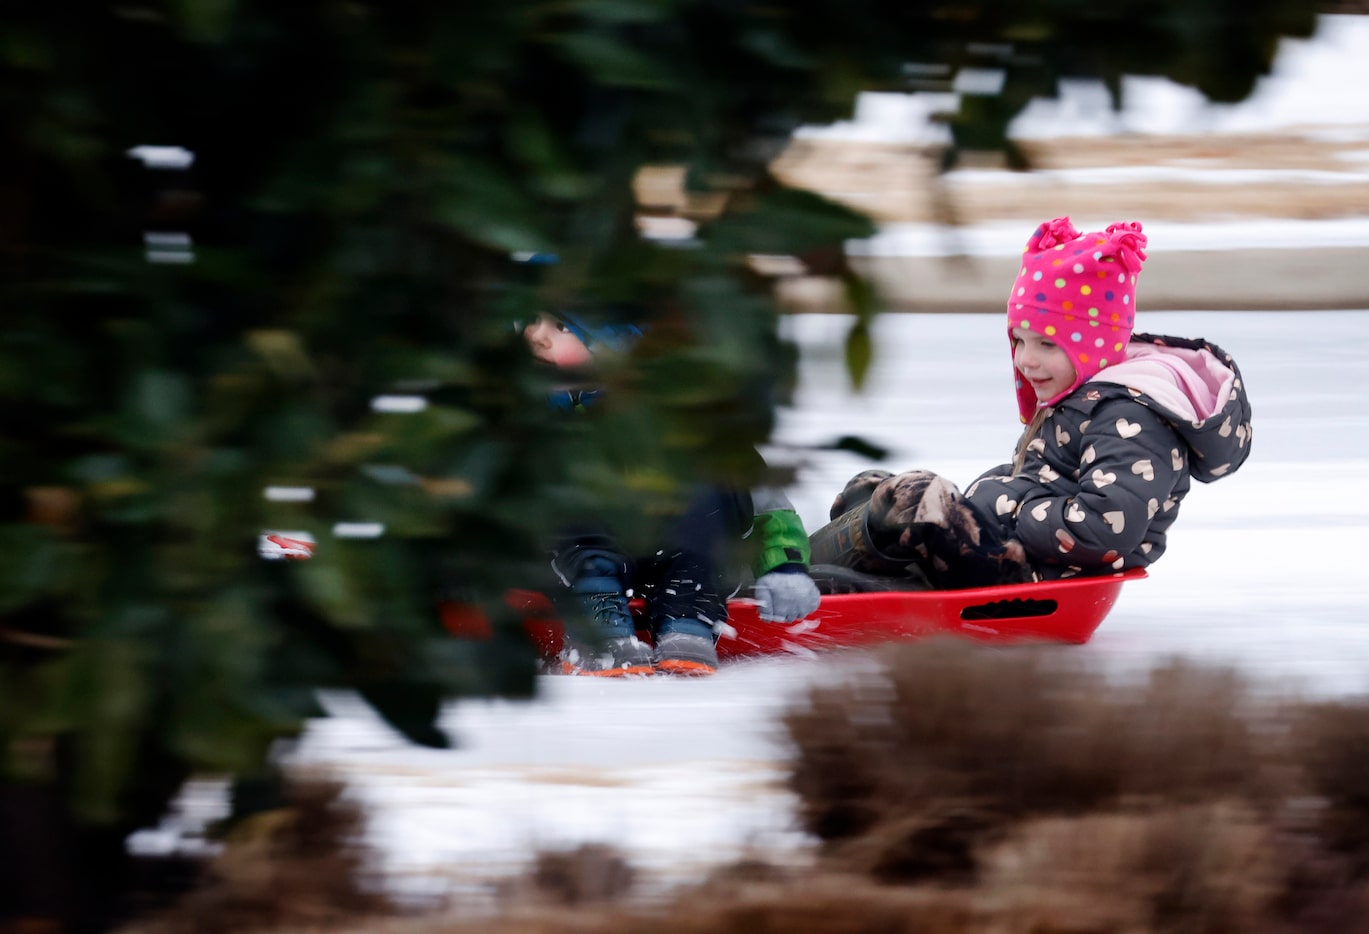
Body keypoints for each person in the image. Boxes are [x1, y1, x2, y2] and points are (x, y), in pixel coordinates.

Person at [808, 216, 1252, 589]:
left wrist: (1001, 511)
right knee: (872, 489)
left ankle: (823, 587)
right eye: (1019, 341)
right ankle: (807, 571)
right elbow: (1039, 480)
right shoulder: (1081, 399)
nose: (1026, 360)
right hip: (1018, 555)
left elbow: (1105, 527)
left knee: (920, 498)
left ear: (1094, 345)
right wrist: (983, 504)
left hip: (1035, 575)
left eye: (1046, 344)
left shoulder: (1131, 418)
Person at [522, 308, 821, 676]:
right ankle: (598, 620)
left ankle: (689, 612)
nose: (537, 336)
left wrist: (785, 565)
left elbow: (762, 501)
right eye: (529, 323)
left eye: (561, 326)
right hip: (575, 561)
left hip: (677, 558)